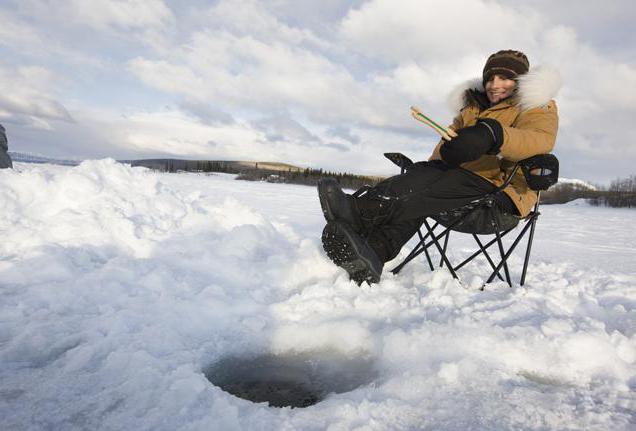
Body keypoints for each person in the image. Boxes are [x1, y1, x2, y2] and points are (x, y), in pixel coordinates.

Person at [318, 50, 561, 284]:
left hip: (498, 199)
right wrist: (445, 155)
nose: (495, 84)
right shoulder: (472, 107)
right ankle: (373, 253)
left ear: (521, 81)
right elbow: (443, 153)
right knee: (423, 184)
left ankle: (360, 212)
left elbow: (538, 139)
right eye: (490, 78)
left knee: (426, 186)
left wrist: (493, 135)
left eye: (505, 78)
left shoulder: (536, 106)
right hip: (456, 191)